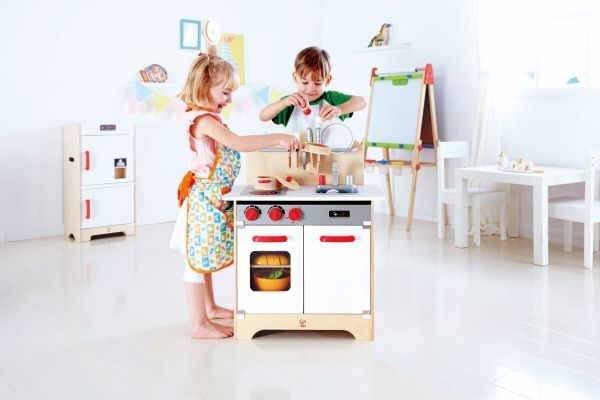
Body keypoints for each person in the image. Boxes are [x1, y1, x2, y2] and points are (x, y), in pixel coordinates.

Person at [170, 53, 299, 339]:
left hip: (213, 199)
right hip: (202, 203)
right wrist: (277, 137)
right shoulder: (203, 121)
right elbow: (239, 143)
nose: (229, 99)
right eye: (225, 92)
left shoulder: (210, 118)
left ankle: (210, 308)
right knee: (195, 264)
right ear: (204, 86)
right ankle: (198, 324)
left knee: (205, 257)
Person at [259, 46, 367, 133]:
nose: (311, 88)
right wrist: (283, 102)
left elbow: (362, 102)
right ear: (295, 78)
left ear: (327, 80)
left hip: (328, 153)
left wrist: (340, 109)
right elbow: (263, 116)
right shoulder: (290, 102)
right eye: (305, 82)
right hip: (297, 154)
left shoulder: (331, 98)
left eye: (318, 83)